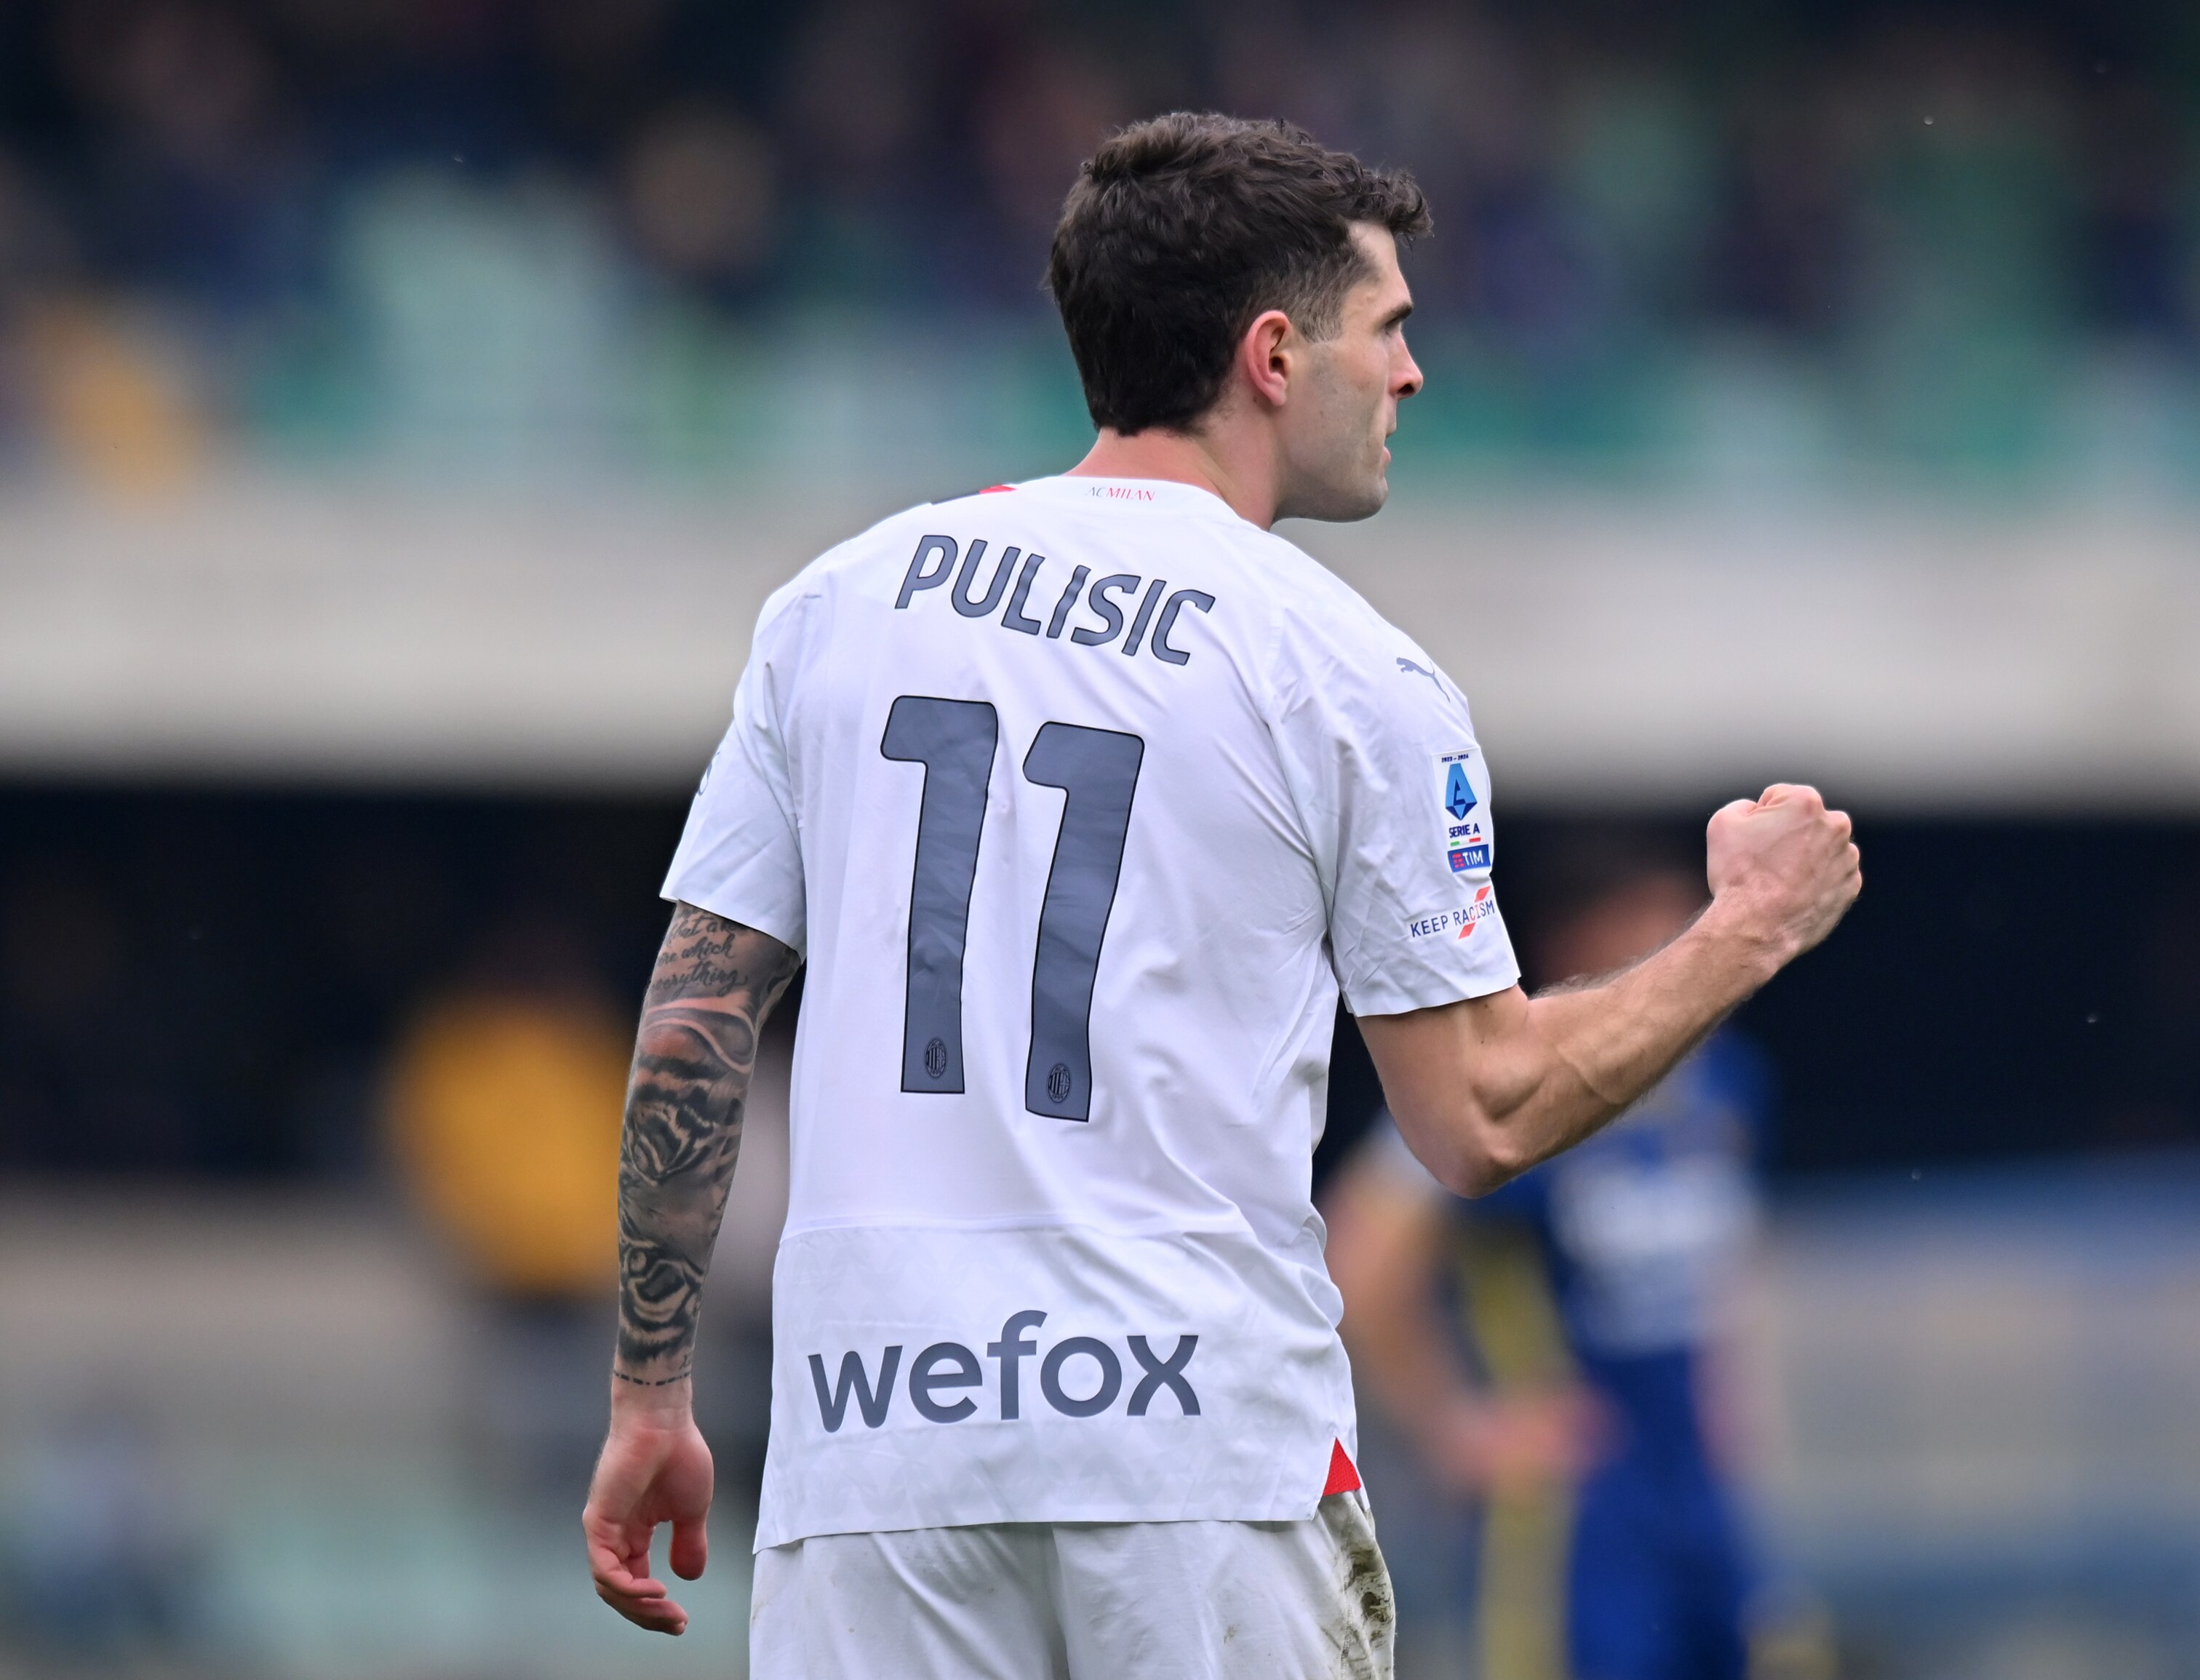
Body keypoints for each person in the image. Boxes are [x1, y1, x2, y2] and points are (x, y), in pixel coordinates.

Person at [580, 112, 1860, 1680]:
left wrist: (650, 1390)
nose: (1411, 374)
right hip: (1197, 1468)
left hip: (875, 1459)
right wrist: (1747, 932)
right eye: (1387, 329)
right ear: (1272, 354)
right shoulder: (1344, 669)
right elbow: (1482, 1114)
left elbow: (697, 1014)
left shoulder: (838, 606)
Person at [1331, 832, 1771, 1680]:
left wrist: (1734, 1406)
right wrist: (1455, 1426)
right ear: (1576, 941)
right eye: (1651, 924)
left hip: (1699, 1488)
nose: (1686, 949)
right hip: (1573, 1507)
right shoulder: (1518, 1090)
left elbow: (1726, 1271)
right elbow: (1359, 1258)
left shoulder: (1725, 1084)